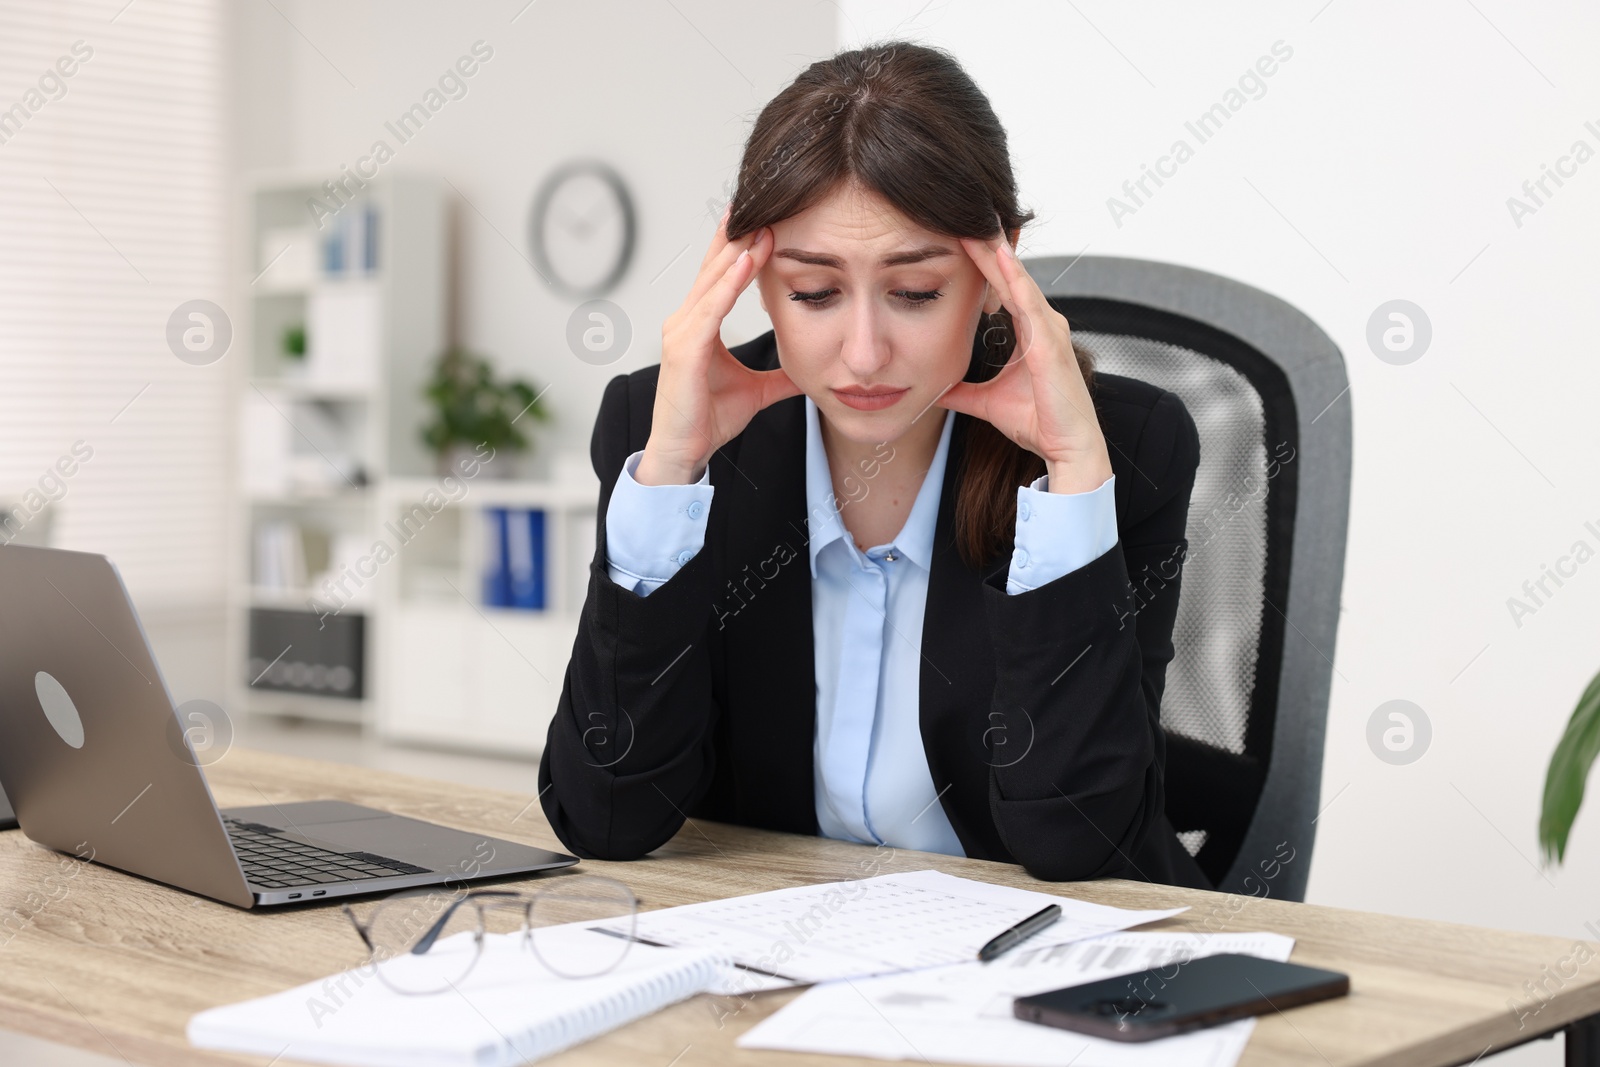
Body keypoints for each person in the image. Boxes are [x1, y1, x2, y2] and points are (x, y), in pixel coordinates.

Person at [539, 40, 1208, 889]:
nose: (862, 353)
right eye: (813, 293)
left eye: (916, 292)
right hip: (775, 958)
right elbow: (604, 814)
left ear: (996, 273)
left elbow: (1079, 844)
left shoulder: (1125, 447)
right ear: (749, 278)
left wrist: (1072, 477)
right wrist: (670, 472)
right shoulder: (665, 431)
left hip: (1034, 971)